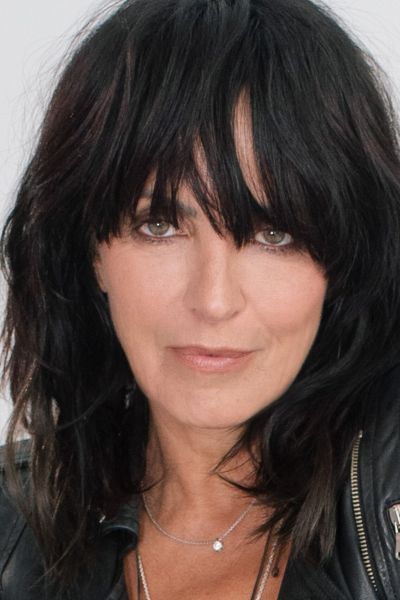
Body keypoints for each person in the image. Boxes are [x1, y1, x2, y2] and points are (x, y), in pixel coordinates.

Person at [1, 0, 400, 598]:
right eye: (160, 225)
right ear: (91, 252)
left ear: (345, 257)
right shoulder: (13, 530)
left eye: (274, 234)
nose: (213, 301)